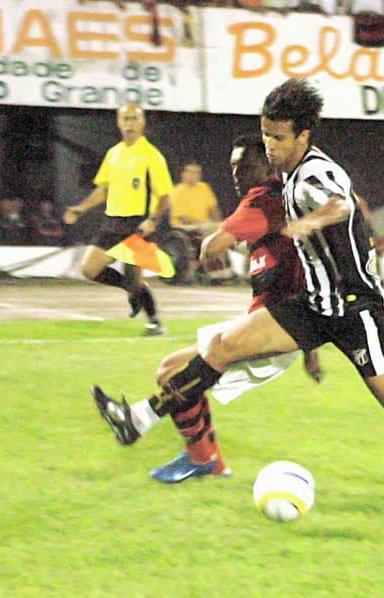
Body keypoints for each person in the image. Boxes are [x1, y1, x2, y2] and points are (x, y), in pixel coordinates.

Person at [92, 79, 384, 488]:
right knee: (221, 347)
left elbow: (340, 203)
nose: (270, 145)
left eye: (278, 137)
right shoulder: (284, 174)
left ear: (303, 137)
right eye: (266, 135)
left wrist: (311, 222)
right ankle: (137, 420)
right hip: (311, 306)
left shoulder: (316, 175)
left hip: (356, 310)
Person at [93, 133, 321, 483]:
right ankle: (204, 461)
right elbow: (307, 273)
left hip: (272, 329)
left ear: (266, 163)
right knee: (170, 369)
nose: (235, 174)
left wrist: (210, 244)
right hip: (271, 325)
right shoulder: (284, 200)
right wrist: (311, 352)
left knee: (184, 371)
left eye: (242, 165)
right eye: (231, 166)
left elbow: (213, 246)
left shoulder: (265, 198)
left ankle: (138, 421)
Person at [63, 103, 173, 335]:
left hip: (138, 223)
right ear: (119, 123)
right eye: (125, 119)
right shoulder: (114, 153)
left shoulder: (151, 155)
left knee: (135, 277)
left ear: (142, 123)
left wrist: (152, 220)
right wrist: (79, 209)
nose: (130, 123)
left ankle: (154, 322)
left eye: (134, 119)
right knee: (89, 268)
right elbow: (103, 189)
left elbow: (164, 195)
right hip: (112, 222)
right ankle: (132, 292)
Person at [169, 161, 222, 236]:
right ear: (183, 174)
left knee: (226, 227)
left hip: (205, 224)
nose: (194, 175)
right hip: (184, 226)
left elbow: (213, 209)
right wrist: (204, 223)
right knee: (209, 228)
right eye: (191, 172)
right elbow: (183, 218)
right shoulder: (177, 191)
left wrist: (219, 223)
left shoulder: (204, 187)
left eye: (197, 173)